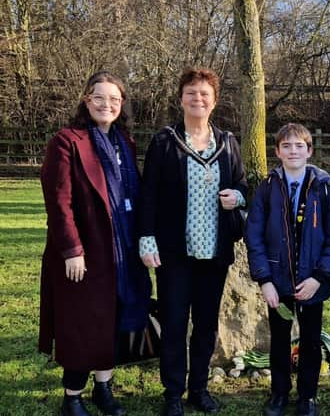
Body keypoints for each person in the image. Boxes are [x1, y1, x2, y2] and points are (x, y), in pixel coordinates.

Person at [40, 71, 152, 416]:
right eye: (99, 97)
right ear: (86, 100)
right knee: (83, 324)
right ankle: (72, 396)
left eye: (114, 99)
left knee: (115, 320)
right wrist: (72, 250)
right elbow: (59, 201)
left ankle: (104, 389)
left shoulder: (125, 142)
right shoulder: (67, 141)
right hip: (86, 253)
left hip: (123, 252)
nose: (107, 105)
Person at [138, 67, 247, 416]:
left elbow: (243, 185)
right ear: (181, 98)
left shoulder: (228, 142)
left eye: (204, 94)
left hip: (214, 254)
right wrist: (146, 238)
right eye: (191, 93)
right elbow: (149, 195)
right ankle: (173, 393)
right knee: (173, 324)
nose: (197, 99)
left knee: (205, 325)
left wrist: (238, 197)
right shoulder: (165, 141)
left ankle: (198, 389)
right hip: (174, 253)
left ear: (214, 101)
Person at [245, 123, 330, 416]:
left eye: (299, 146)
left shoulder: (323, 189)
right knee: (279, 339)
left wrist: (319, 277)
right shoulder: (267, 188)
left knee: (311, 341)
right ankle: (278, 393)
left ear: (309, 151)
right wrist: (264, 279)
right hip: (277, 282)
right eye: (286, 146)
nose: (293, 151)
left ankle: (307, 396)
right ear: (277, 152)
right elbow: (255, 235)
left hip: (312, 282)